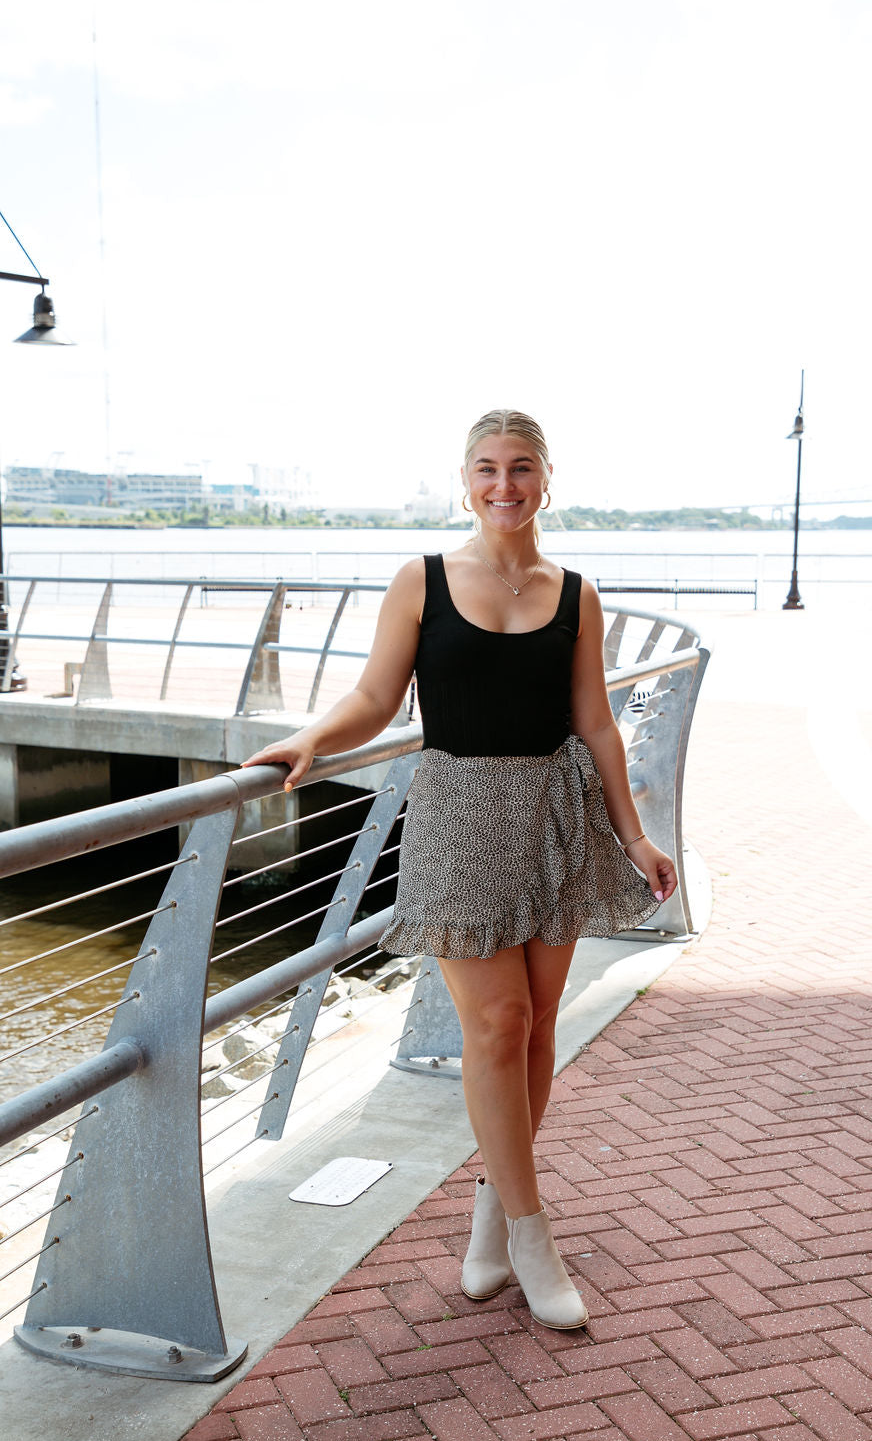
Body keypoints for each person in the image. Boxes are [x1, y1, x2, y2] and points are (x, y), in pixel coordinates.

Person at [243, 410, 677, 1330]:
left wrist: (635, 838)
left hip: (555, 815)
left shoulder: (576, 593)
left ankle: (494, 1206)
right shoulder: (423, 580)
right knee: (499, 1021)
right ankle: (531, 1231)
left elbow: (596, 724)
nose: (504, 485)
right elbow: (373, 698)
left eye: (521, 468)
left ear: (547, 478)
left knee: (541, 1024)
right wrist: (311, 743)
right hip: (458, 818)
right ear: (466, 479)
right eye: (487, 469)